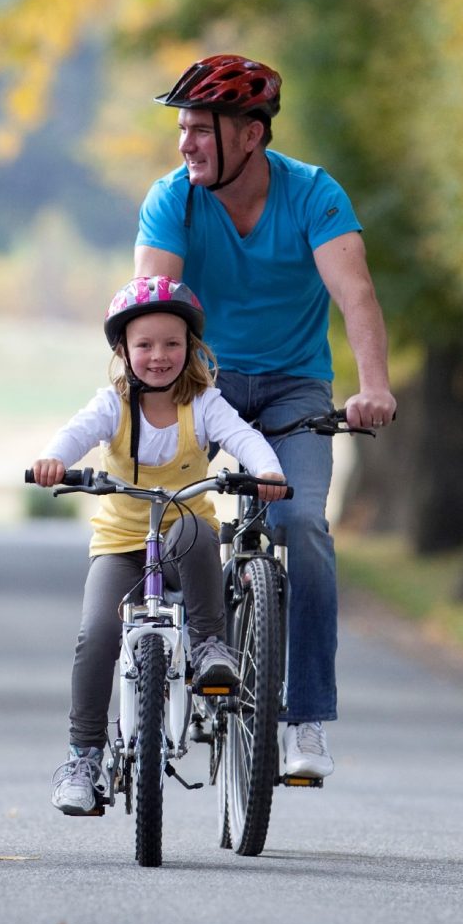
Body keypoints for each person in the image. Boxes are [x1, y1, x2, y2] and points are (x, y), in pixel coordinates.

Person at [134, 54, 395, 782]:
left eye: (199, 129)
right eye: (181, 128)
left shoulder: (313, 194)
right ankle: (161, 669)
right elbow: (149, 302)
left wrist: (372, 386)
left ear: (250, 135)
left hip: (292, 389)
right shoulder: (172, 200)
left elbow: (357, 294)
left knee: (303, 527)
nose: (184, 143)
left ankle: (304, 720)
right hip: (199, 383)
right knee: (168, 514)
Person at [31, 276, 286, 815]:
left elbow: (243, 438)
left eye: (172, 343)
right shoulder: (113, 405)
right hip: (122, 544)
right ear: (123, 351)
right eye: (144, 345)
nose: (158, 356)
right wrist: (54, 459)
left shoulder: (205, 404)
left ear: (191, 349)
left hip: (182, 544)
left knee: (195, 524)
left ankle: (210, 645)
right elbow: (74, 434)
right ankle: (83, 757)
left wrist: (266, 468)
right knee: (96, 633)